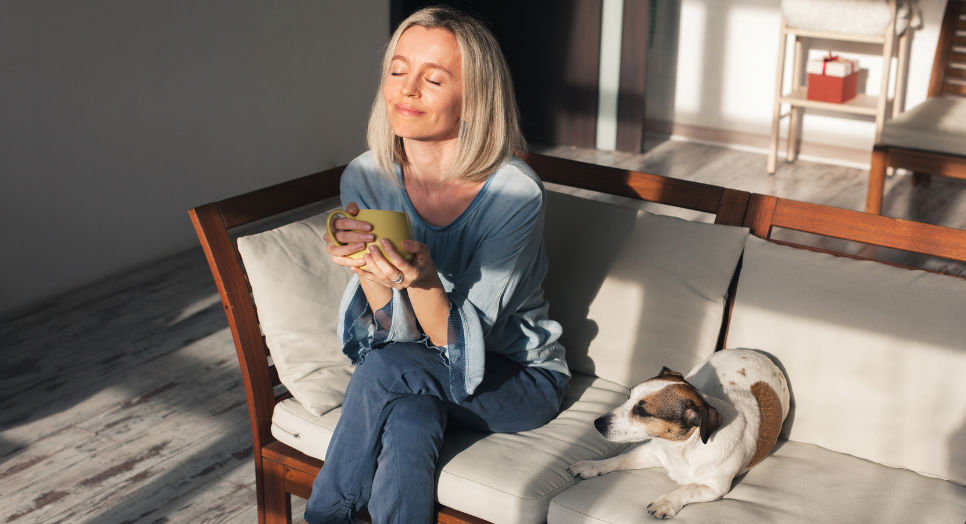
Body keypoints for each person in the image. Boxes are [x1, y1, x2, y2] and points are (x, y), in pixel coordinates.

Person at [305, 7, 569, 524]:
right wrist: (367, 268)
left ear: (475, 98)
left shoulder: (514, 193)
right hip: (418, 368)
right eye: (398, 71)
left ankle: (324, 515)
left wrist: (422, 279)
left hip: (516, 378)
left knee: (389, 370)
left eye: (434, 79)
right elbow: (393, 338)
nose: (407, 90)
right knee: (408, 415)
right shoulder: (367, 176)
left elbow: (458, 347)